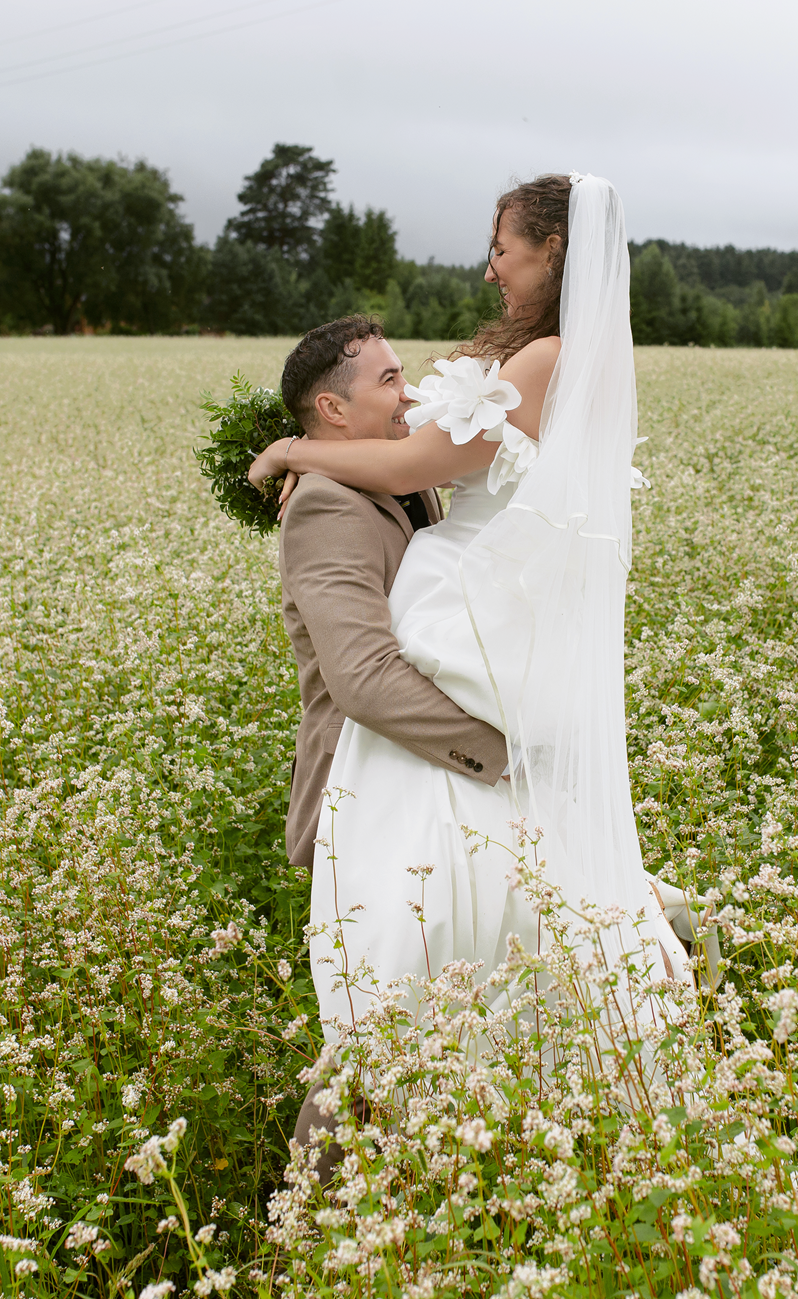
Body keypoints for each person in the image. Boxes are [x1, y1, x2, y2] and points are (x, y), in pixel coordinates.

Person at [251, 174, 692, 1052]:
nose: (490, 270)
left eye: (501, 249)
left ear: (551, 252)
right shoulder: (576, 360)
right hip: (498, 614)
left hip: (473, 610)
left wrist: (293, 450)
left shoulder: (545, 359)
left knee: (441, 935)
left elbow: (410, 464)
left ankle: (402, 1075)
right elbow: (424, 449)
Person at [270, 315, 512, 1176]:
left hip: (427, 780)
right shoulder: (325, 506)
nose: (410, 394)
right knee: (376, 1027)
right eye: (388, 380)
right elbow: (363, 678)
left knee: (442, 997)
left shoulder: (397, 481)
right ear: (332, 410)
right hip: (367, 793)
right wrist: (501, 753)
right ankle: (312, 1217)